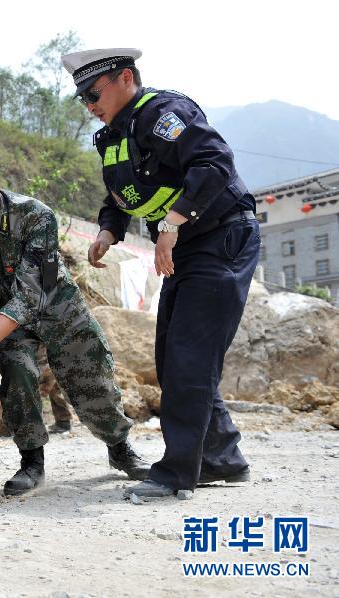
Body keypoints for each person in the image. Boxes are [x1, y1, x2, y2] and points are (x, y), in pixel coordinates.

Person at [62, 48, 258, 499]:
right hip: (184, 250)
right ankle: (221, 458)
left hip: (220, 237)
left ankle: (175, 474)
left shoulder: (165, 114)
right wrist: (109, 233)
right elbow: (119, 198)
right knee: (174, 357)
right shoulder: (112, 136)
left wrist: (171, 224)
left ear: (125, 78)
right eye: (82, 99)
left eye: (93, 93)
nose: (89, 105)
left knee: (190, 356)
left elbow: (215, 163)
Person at [0, 150, 150, 496]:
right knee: (17, 374)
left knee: (91, 376)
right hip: (5, 321)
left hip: (57, 307)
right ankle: (31, 460)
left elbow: (37, 286)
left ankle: (119, 447)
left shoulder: (36, 217)